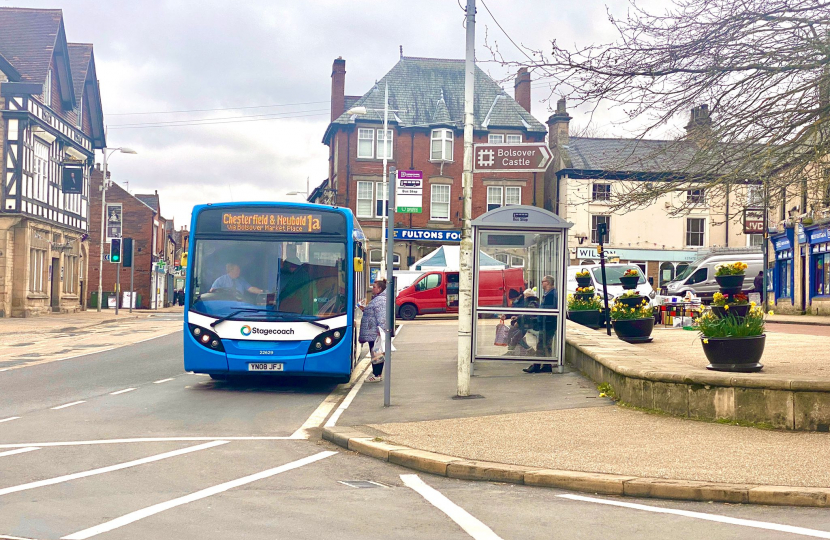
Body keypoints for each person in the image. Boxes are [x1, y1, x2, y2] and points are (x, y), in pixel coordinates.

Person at [524, 275, 557, 374]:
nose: (542, 283)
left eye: (543, 281)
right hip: (545, 323)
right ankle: (546, 365)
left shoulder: (551, 295)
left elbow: (549, 310)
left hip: (547, 324)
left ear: (548, 283)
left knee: (542, 344)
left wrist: (542, 319)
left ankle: (537, 365)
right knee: (544, 345)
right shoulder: (548, 294)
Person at [358, 279, 388, 383]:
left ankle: (376, 375)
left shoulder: (380, 300)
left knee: (376, 353)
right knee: (376, 352)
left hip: (375, 332)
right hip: (373, 331)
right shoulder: (378, 299)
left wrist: (381, 329)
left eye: (374, 287)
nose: (372, 289)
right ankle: (377, 374)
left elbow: (381, 316)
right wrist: (365, 309)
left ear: (379, 289)